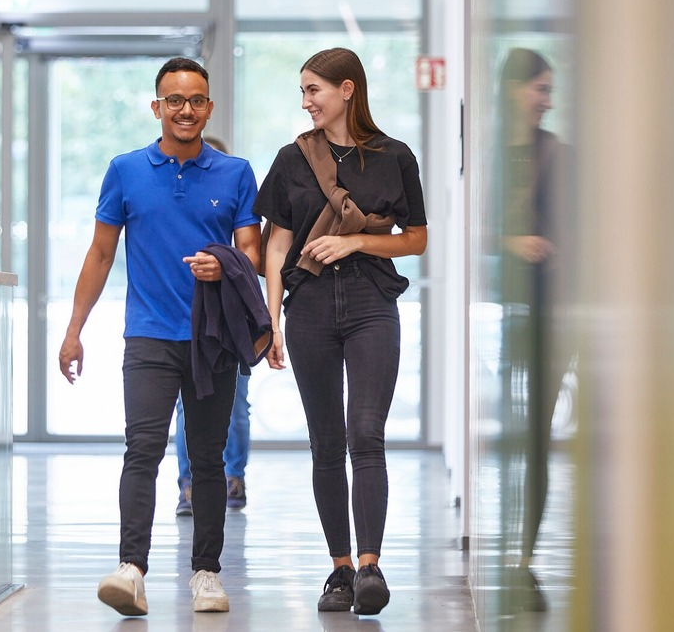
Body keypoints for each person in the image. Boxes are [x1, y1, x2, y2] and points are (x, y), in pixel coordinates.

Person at [59, 58, 262, 616]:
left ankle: (207, 573)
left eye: (196, 100)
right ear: (157, 107)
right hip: (148, 334)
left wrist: (226, 268)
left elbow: (252, 251)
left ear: (209, 107)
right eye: (175, 100)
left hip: (213, 337)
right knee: (142, 450)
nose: (186, 110)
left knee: (208, 458)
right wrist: (74, 330)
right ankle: (131, 569)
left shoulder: (236, 172)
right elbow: (101, 254)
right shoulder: (125, 170)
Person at [254, 47, 427, 616]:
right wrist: (271, 320)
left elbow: (415, 239)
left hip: (371, 299)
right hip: (307, 309)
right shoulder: (291, 158)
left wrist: (354, 241)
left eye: (314, 90)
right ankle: (340, 572)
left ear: (347, 89)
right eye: (302, 92)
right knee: (325, 440)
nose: (306, 102)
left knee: (366, 432)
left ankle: (372, 564)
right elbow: (277, 244)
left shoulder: (394, 157)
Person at [496, 47, 571, 614]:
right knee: (508, 441)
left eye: (549, 91)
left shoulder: (559, 156)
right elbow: (469, 230)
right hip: (502, 317)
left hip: (551, 316)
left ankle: (524, 559)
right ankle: (507, 555)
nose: (546, 101)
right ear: (513, 90)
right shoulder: (492, 155)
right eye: (539, 89)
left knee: (537, 442)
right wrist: (509, 244)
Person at [173, 136, 253, 515]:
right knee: (186, 412)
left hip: (228, 322)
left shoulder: (235, 182)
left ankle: (233, 476)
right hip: (179, 324)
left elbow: (251, 252)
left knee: (235, 406)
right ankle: (188, 483)